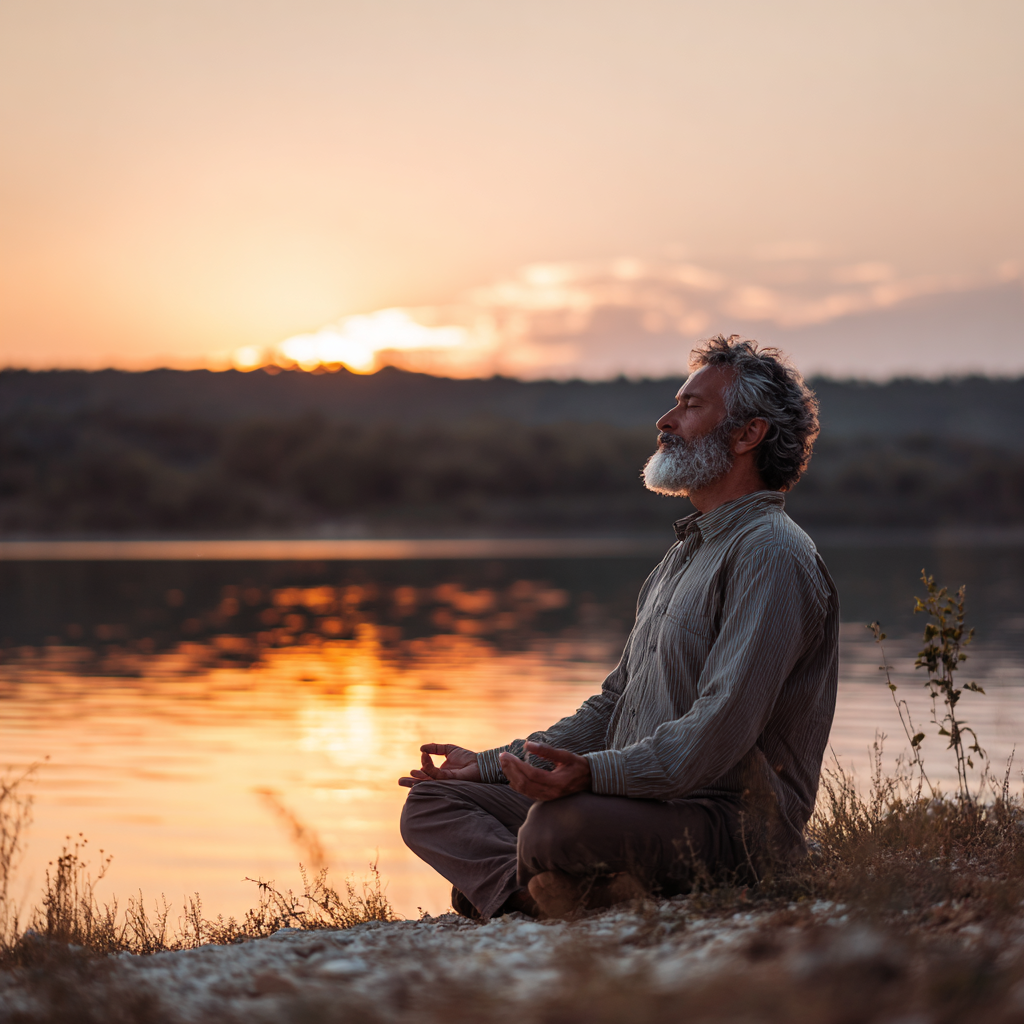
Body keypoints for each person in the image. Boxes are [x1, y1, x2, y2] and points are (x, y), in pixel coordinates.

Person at [399, 334, 840, 920]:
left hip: (729, 821)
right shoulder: (683, 556)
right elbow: (613, 706)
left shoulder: (772, 554)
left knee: (555, 826)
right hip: (643, 804)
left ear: (746, 435)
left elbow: (722, 724)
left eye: (690, 406)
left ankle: (527, 884)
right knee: (435, 800)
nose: (665, 421)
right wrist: (492, 764)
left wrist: (594, 777)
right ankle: (534, 892)